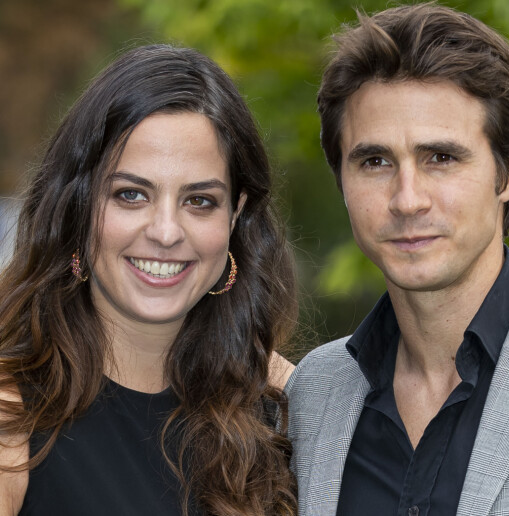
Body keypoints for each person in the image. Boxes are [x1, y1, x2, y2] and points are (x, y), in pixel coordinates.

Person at [286, 2, 509, 515]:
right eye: (374, 162)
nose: (407, 199)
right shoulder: (315, 394)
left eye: (440, 158)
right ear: (342, 183)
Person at [0, 45, 297, 516]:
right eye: (131, 194)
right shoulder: (10, 418)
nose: (165, 232)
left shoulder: (282, 405)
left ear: (236, 216)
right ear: (79, 205)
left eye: (199, 201)